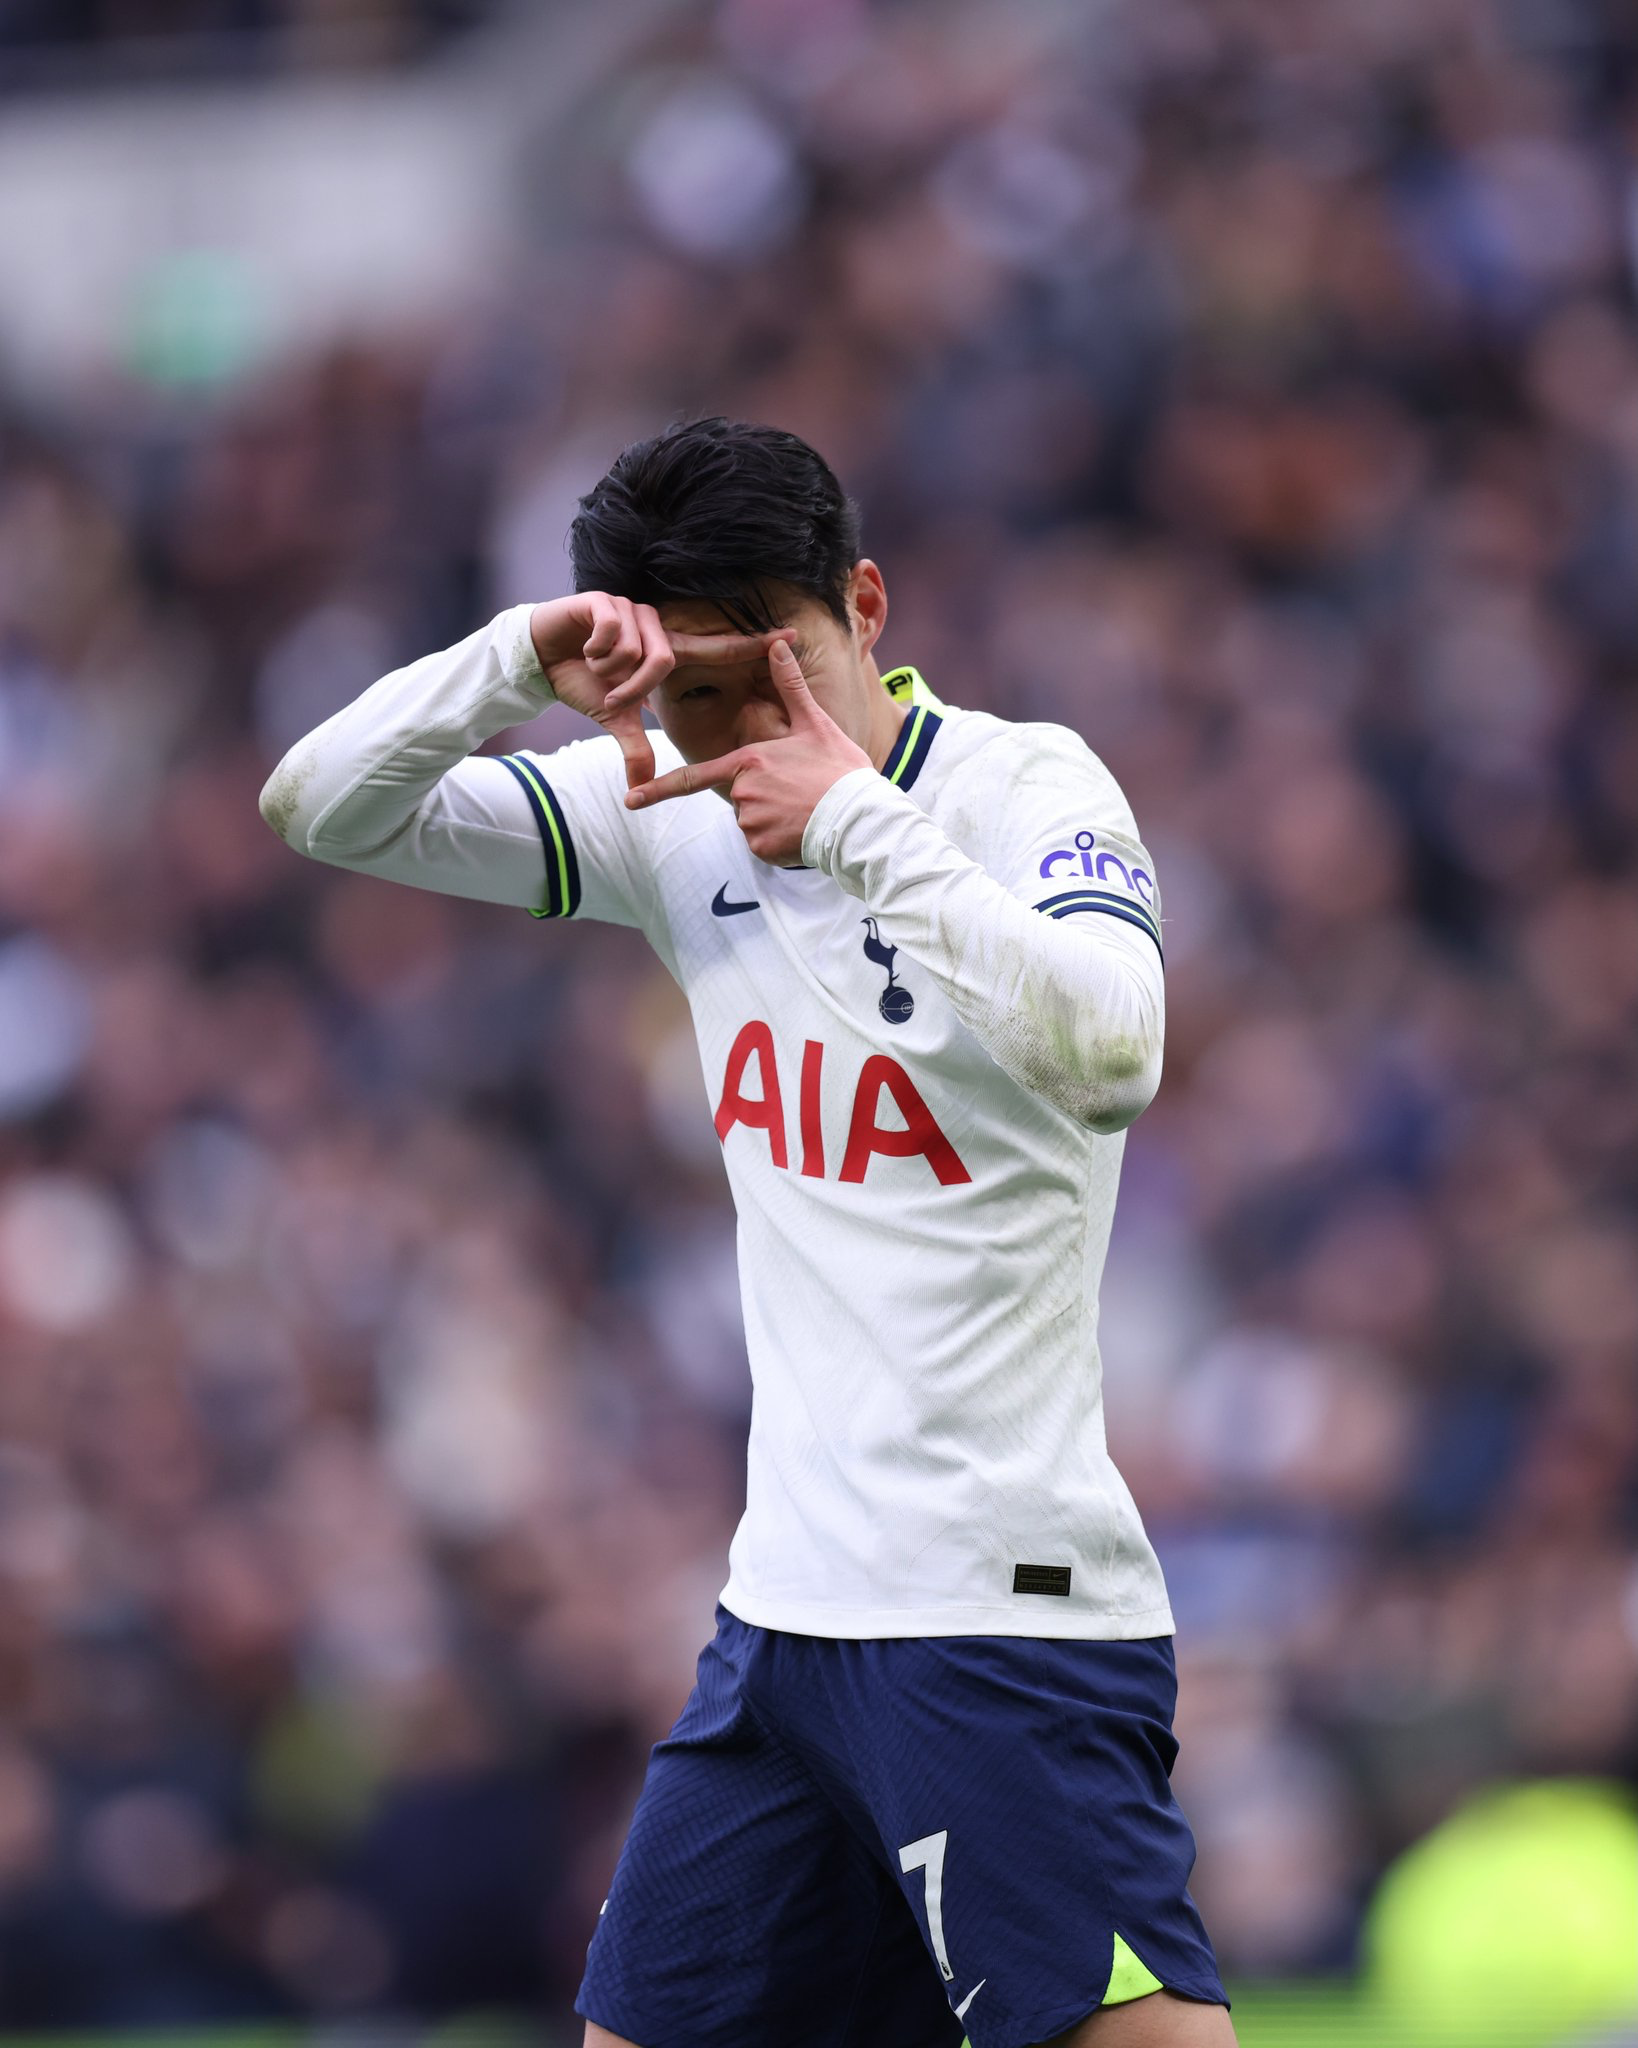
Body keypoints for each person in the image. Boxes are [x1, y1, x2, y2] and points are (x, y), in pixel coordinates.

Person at [259, 417, 1234, 2048]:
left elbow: (1116, 1047)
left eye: (769, 675)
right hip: (780, 1627)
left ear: (862, 604)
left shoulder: (1021, 786)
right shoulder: (667, 806)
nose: (731, 734)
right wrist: (513, 659)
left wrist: (851, 820)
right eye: (691, 693)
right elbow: (322, 808)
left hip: (991, 1619)